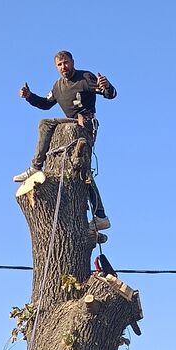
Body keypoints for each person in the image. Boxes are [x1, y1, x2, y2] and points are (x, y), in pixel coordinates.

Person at [13, 50, 117, 231]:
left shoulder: (85, 77)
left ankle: (36, 166)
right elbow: (46, 104)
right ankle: (100, 215)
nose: (64, 67)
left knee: (45, 124)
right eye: (60, 65)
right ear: (56, 67)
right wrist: (29, 96)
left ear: (72, 62)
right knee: (82, 173)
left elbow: (110, 95)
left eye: (66, 63)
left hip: (86, 123)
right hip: (71, 123)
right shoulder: (58, 87)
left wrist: (107, 86)